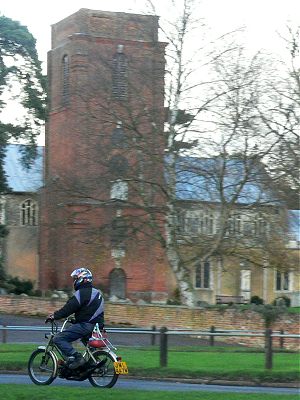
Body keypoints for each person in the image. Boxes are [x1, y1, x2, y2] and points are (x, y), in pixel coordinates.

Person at [46, 267, 104, 369]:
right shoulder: (97, 293)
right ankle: (92, 362)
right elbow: (89, 311)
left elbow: (68, 308)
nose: (74, 281)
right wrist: (76, 320)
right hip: (97, 327)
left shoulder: (81, 293)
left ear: (82, 279)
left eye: (75, 279)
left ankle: (77, 358)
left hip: (85, 326)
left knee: (58, 338)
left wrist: (54, 316)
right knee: (88, 345)